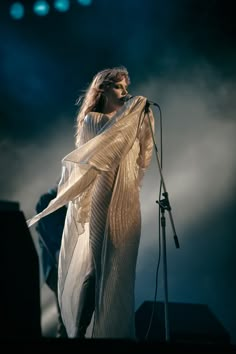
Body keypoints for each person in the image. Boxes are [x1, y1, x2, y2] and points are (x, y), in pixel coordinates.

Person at [27, 66, 155, 339]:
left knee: (118, 272)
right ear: (103, 89)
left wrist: (144, 124)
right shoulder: (93, 122)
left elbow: (143, 157)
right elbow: (112, 146)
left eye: (126, 86)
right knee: (96, 269)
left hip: (126, 204)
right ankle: (79, 333)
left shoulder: (130, 121)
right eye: (119, 87)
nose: (125, 92)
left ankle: (111, 333)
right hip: (102, 202)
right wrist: (133, 114)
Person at [35, 186, 67, 338]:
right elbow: (53, 232)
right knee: (65, 306)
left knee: (67, 307)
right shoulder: (47, 201)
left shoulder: (60, 205)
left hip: (57, 265)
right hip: (56, 265)